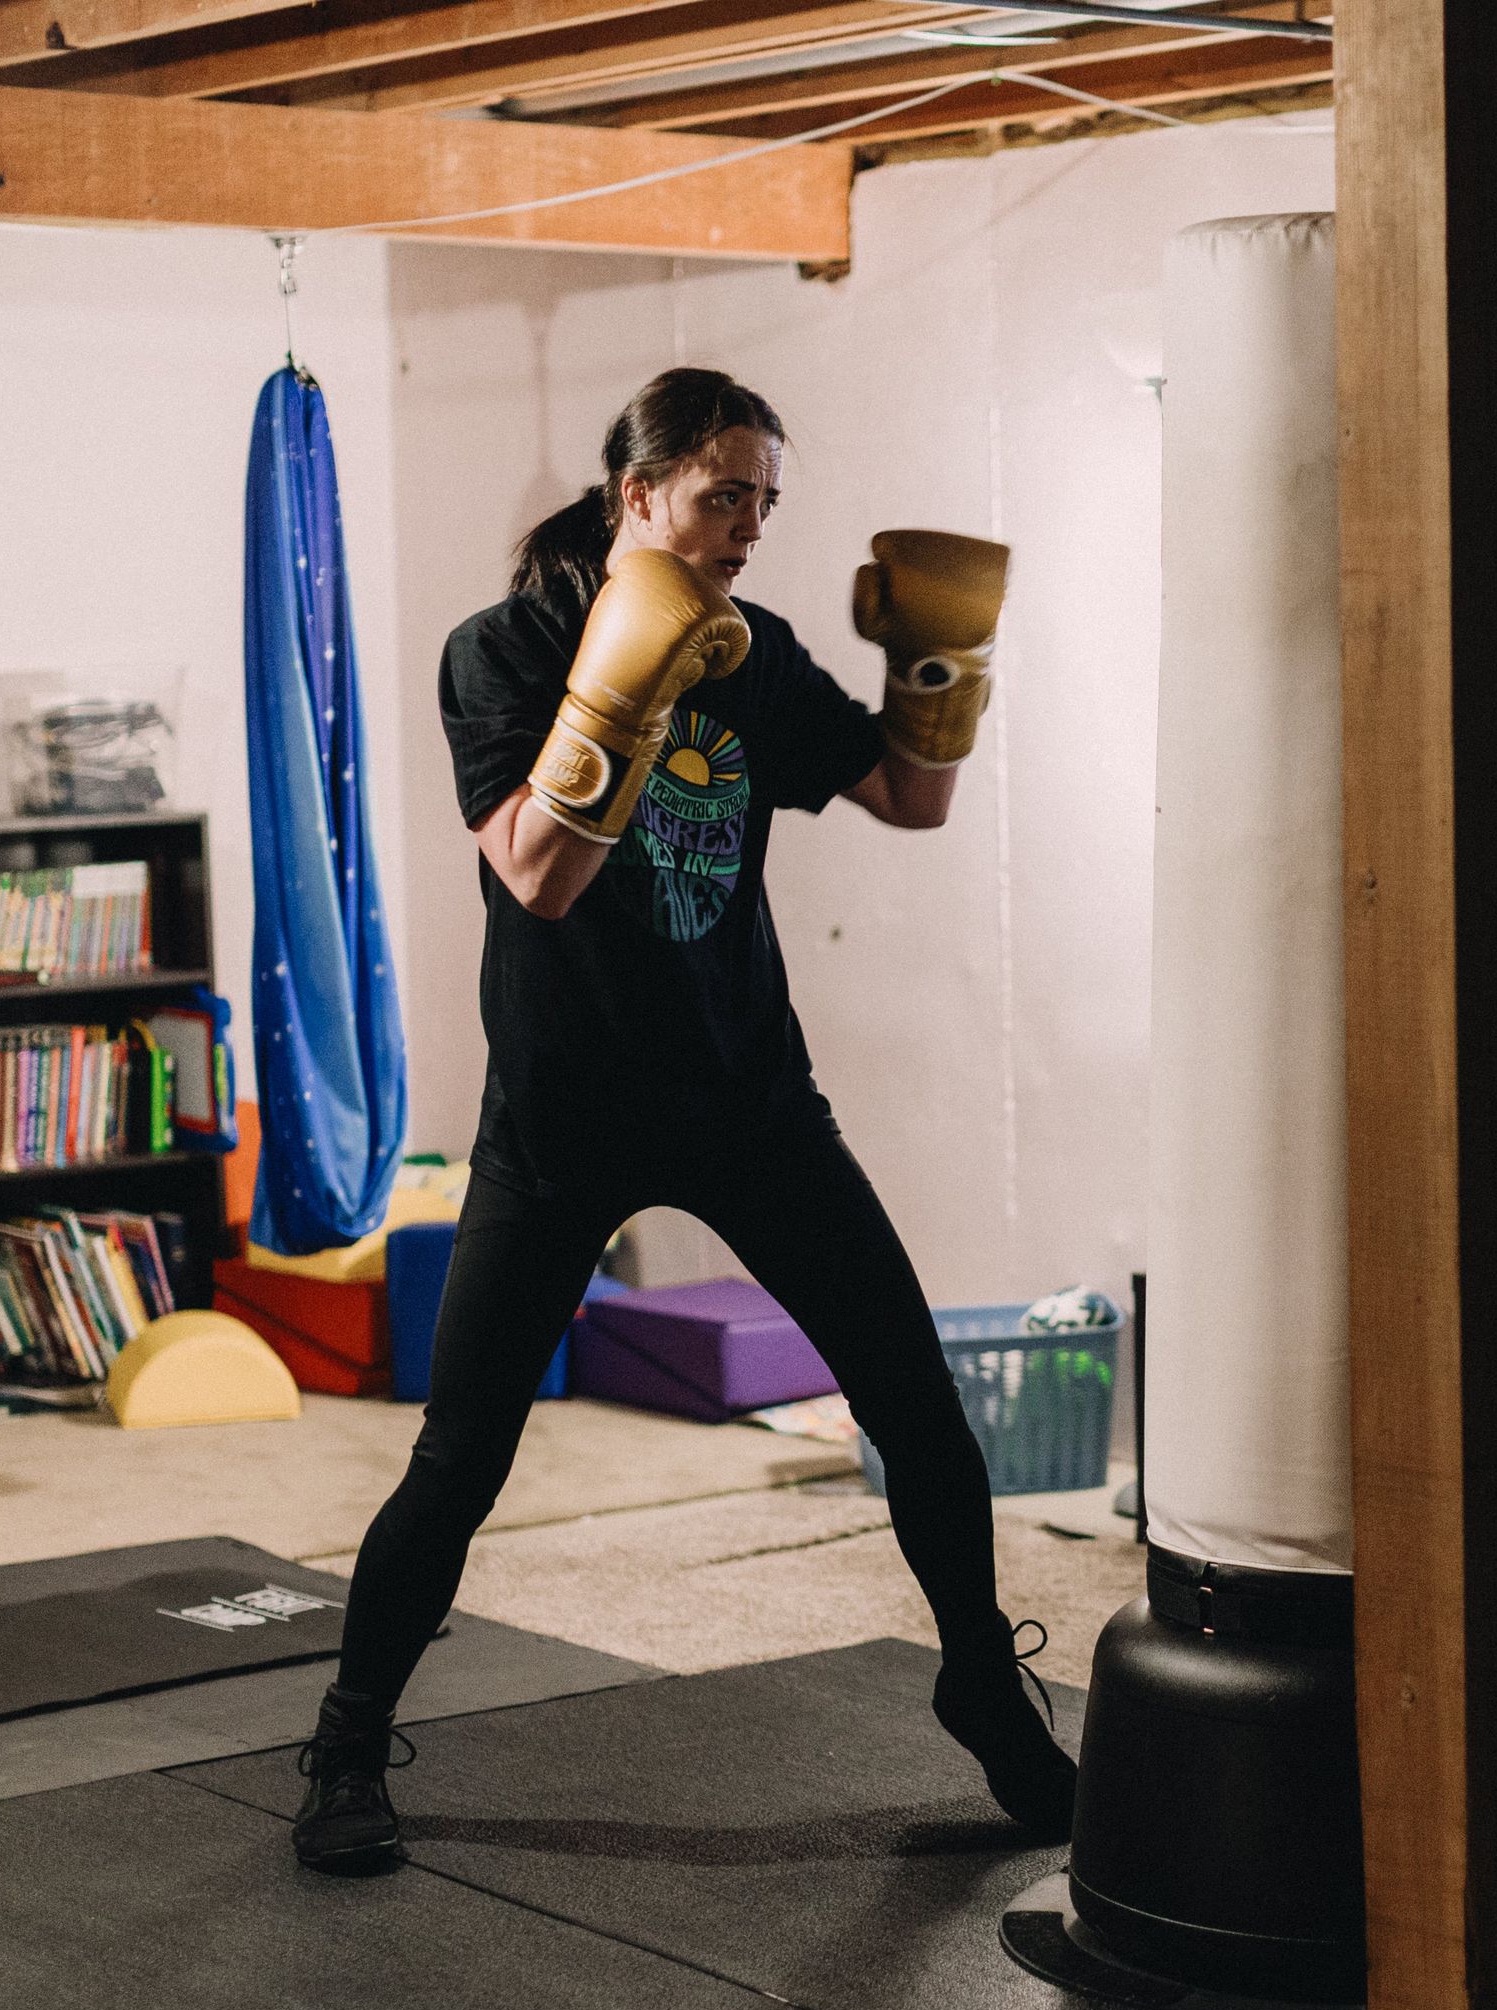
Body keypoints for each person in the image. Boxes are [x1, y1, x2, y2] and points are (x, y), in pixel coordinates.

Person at [289, 367, 1072, 1873]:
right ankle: (346, 1738)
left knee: (917, 1403)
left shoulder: (756, 655)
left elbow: (912, 803)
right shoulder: (503, 651)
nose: (749, 530)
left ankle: (984, 1684)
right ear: (633, 492)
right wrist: (618, 693)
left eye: (766, 502)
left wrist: (937, 664)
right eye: (723, 495)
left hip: (746, 1099)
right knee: (463, 1454)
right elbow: (539, 874)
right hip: (564, 1116)